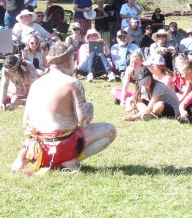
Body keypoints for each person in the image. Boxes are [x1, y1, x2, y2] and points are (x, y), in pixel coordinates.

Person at [11, 43, 117, 174]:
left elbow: (25, 122)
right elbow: (84, 120)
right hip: (62, 147)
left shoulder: (37, 84)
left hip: (37, 150)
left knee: (34, 135)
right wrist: (89, 107)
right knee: (110, 130)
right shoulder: (72, 83)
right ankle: (71, 160)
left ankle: (22, 159)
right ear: (68, 61)